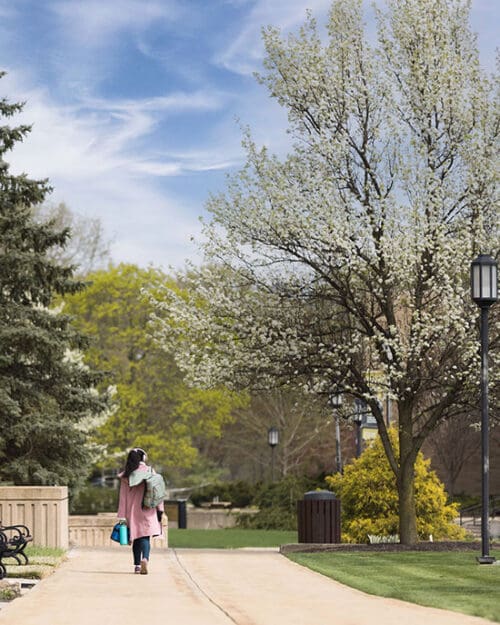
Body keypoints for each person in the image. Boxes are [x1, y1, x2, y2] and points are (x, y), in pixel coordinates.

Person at [117, 447, 164, 574]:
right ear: (143, 458)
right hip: (148, 508)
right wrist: (160, 509)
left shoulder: (126, 476)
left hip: (132, 511)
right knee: (145, 537)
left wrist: (121, 516)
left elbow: (123, 497)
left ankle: (137, 565)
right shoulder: (150, 471)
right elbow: (157, 491)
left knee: (136, 537)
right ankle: (145, 559)